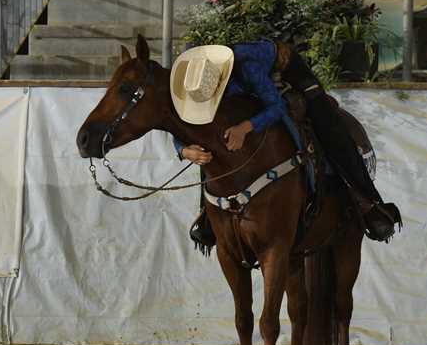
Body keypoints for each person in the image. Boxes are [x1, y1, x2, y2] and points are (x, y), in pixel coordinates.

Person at [170, 40, 401, 248]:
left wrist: (245, 127)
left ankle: (366, 201)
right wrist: (184, 149)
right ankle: (207, 214)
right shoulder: (193, 84)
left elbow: (276, 107)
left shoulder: (248, 67)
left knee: (326, 123)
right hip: (242, 86)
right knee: (209, 146)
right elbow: (185, 125)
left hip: (288, 67)